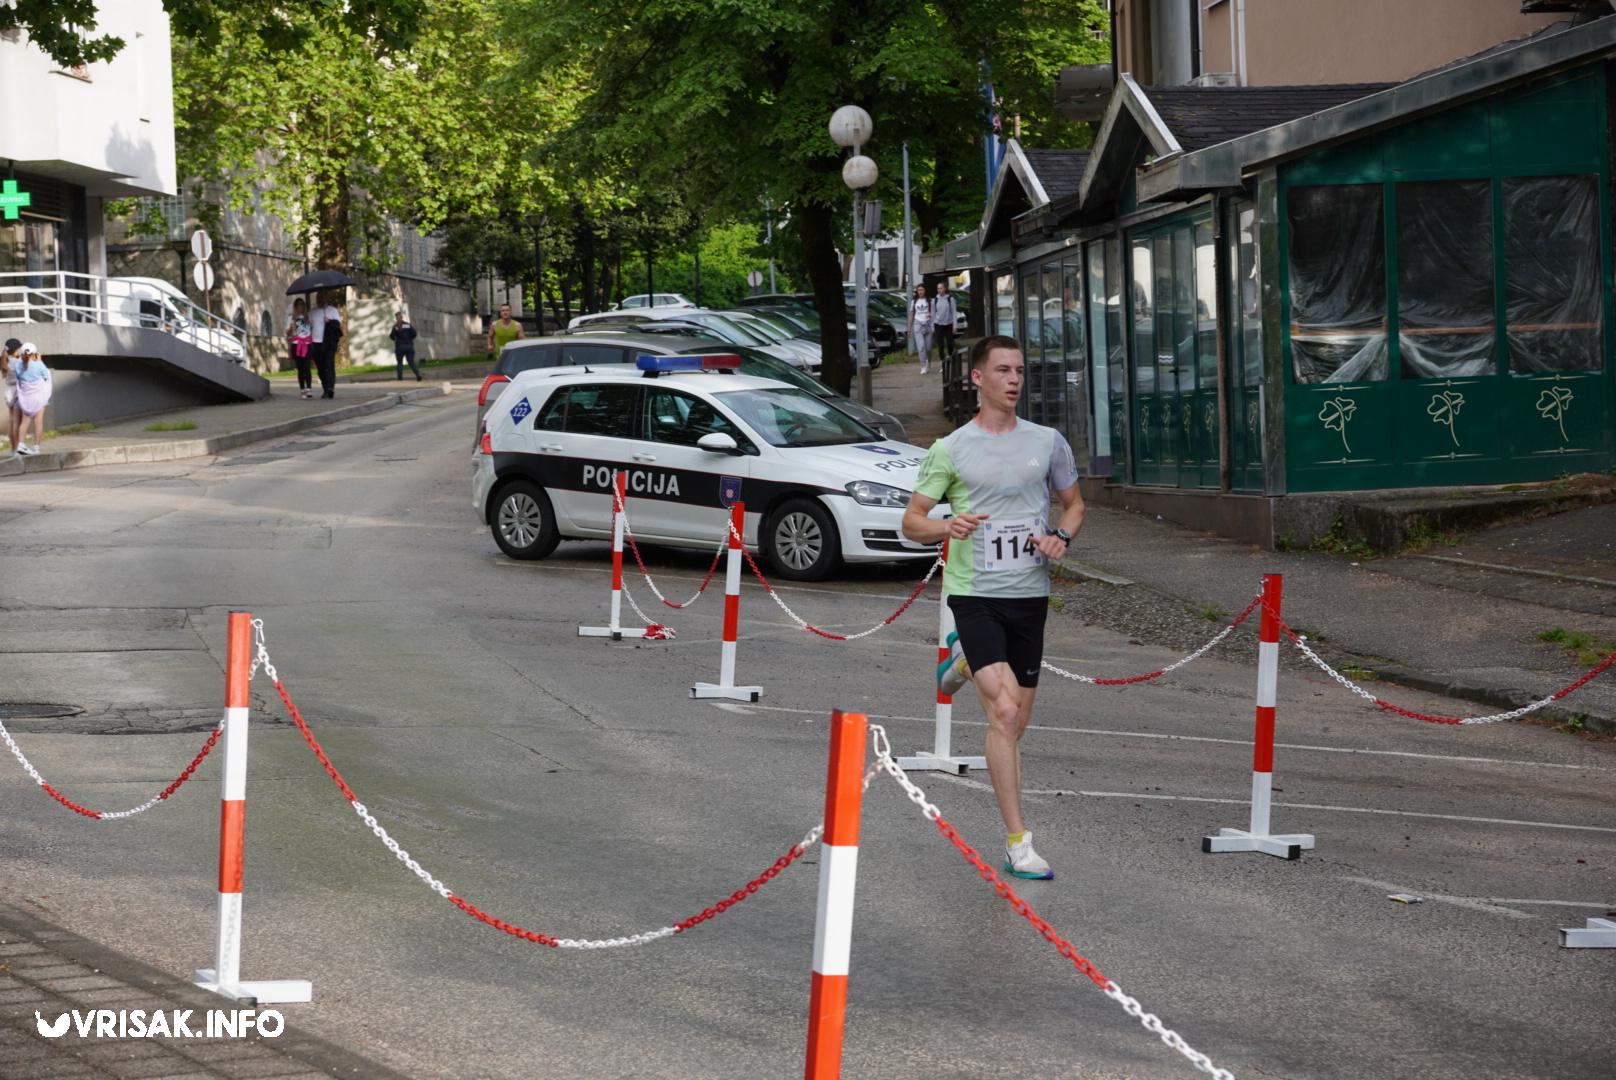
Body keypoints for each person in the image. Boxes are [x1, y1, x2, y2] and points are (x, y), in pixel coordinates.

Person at [901, 335, 1086, 881]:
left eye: (1020, 371)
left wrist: (1060, 538)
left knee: (1017, 722)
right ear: (977, 378)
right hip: (974, 593)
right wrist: (946, 525)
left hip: (1029, 594)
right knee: (1002, 713)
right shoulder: (950, 449)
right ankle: (1017, 843)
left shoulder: (1047, 442)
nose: (1014, 380)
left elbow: (1074, 506)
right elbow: (911, 522)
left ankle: (962, 661)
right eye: (1003, 370)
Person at [12, 343, 53, 456]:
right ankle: (36, 448)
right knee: (38, 423)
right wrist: (40, 361)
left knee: (24, 422)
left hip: (25, 399)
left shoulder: (17, 366)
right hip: (38, 398)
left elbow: (19, 377)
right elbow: (46, 376)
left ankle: (21, 445)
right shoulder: (39, 365)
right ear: (34, 354)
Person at [311, 291, 343, 399]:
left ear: (326, 298)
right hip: (316, 342)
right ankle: (325, 387)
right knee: (320, 368)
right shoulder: (313, 311)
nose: (320, 299)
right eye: (318, 297)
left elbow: (337, 325)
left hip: (328, 342)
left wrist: (329, 321)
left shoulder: (332, 310)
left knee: (329, 365)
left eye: (322, 297)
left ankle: (330, 388)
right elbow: (308, 325)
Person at [287, 297, 315, 399]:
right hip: (296, 344)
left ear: (304, 306)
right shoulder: (291, 318)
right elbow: (288, 333)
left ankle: (309, 389)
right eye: (298, 304)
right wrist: (291, 327)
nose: (300, 306)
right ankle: (302, 389)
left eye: (302, 304)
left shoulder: (308, 317)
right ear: (295, 306)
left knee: (307, 366)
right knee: (300, 368)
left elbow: (312, 329)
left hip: (307, 344)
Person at [907, 283, 934, 375]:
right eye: (919, 290)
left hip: (928, 325)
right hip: (917, 325)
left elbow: (933, 314)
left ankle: (928, 363)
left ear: (925, 291)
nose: (920, 292)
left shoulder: (930, 301)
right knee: (921, 347)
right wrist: (909, 328)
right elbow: (911, 315)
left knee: (928, 348)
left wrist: (932, 324)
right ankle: (923, 366)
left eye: (922, 290)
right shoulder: (914, 301)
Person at [932, 279, 958, 369]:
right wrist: (932, 327)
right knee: (941, 345)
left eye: (941, 288)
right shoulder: (935, 300)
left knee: (950, 343)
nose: (939, 290)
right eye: (938, 288)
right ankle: (942, 363)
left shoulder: (950, 299)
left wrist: (955, 325)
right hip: (938, 324)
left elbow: (954, 313)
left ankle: (950, 357)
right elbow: (933, 314)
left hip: (948, 324)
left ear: (945, 289)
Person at [390, 311, 421, 381]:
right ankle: (418, 375)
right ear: (402, 317)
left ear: (396, 318)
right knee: (411, 362)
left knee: (400, 363)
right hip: (409, 346)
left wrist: (396, 339)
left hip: (399, 347)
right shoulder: (408, 325)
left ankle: (400, 378)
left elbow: (391, 336)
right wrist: (410, 339)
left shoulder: (395, 327)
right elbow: (414, 334)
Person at [2, 338, 20, 453]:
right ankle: (17, 447)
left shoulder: (5, 361)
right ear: (16, 349)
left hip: (8, 392)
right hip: (17, 392)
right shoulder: (16, 362)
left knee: (11, 420)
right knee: (17, 422)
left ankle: (13, 447)